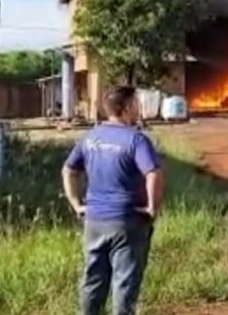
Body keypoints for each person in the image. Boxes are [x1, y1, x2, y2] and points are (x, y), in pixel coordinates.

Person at [62, 85, 165, 315]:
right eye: (136, 103)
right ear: (127, 108)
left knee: (93, 281)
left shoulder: (90, 138)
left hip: (94, 221)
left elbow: (69, 170)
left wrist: (76, 204)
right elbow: (153, 173)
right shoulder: (136, 140)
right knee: (125, 284)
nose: (139, 108)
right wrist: (152, 208)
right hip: (127, 222)